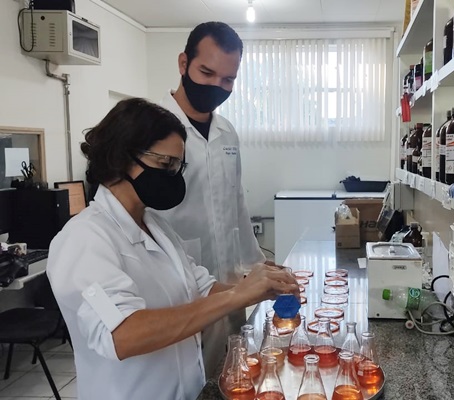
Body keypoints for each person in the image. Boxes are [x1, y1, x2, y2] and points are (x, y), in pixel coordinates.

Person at [46, 98, 298, 400]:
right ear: (120, 156)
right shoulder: (84, 239)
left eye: (178, 167)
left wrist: (259, 285)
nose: (173, 177)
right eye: (165, 165)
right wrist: (237, 295)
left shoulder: (156, 227)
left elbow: (202, 288)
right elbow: (123, 334)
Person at [158, 21, 270, 375]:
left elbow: (237, 205)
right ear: (183, 63)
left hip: (228, 281)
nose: (216, 86)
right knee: (187, 378)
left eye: (228, 80)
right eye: (206, 72)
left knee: (230, 374)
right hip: (176, 287)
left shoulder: (227, 133)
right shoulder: (152, 130)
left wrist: (257, 269)